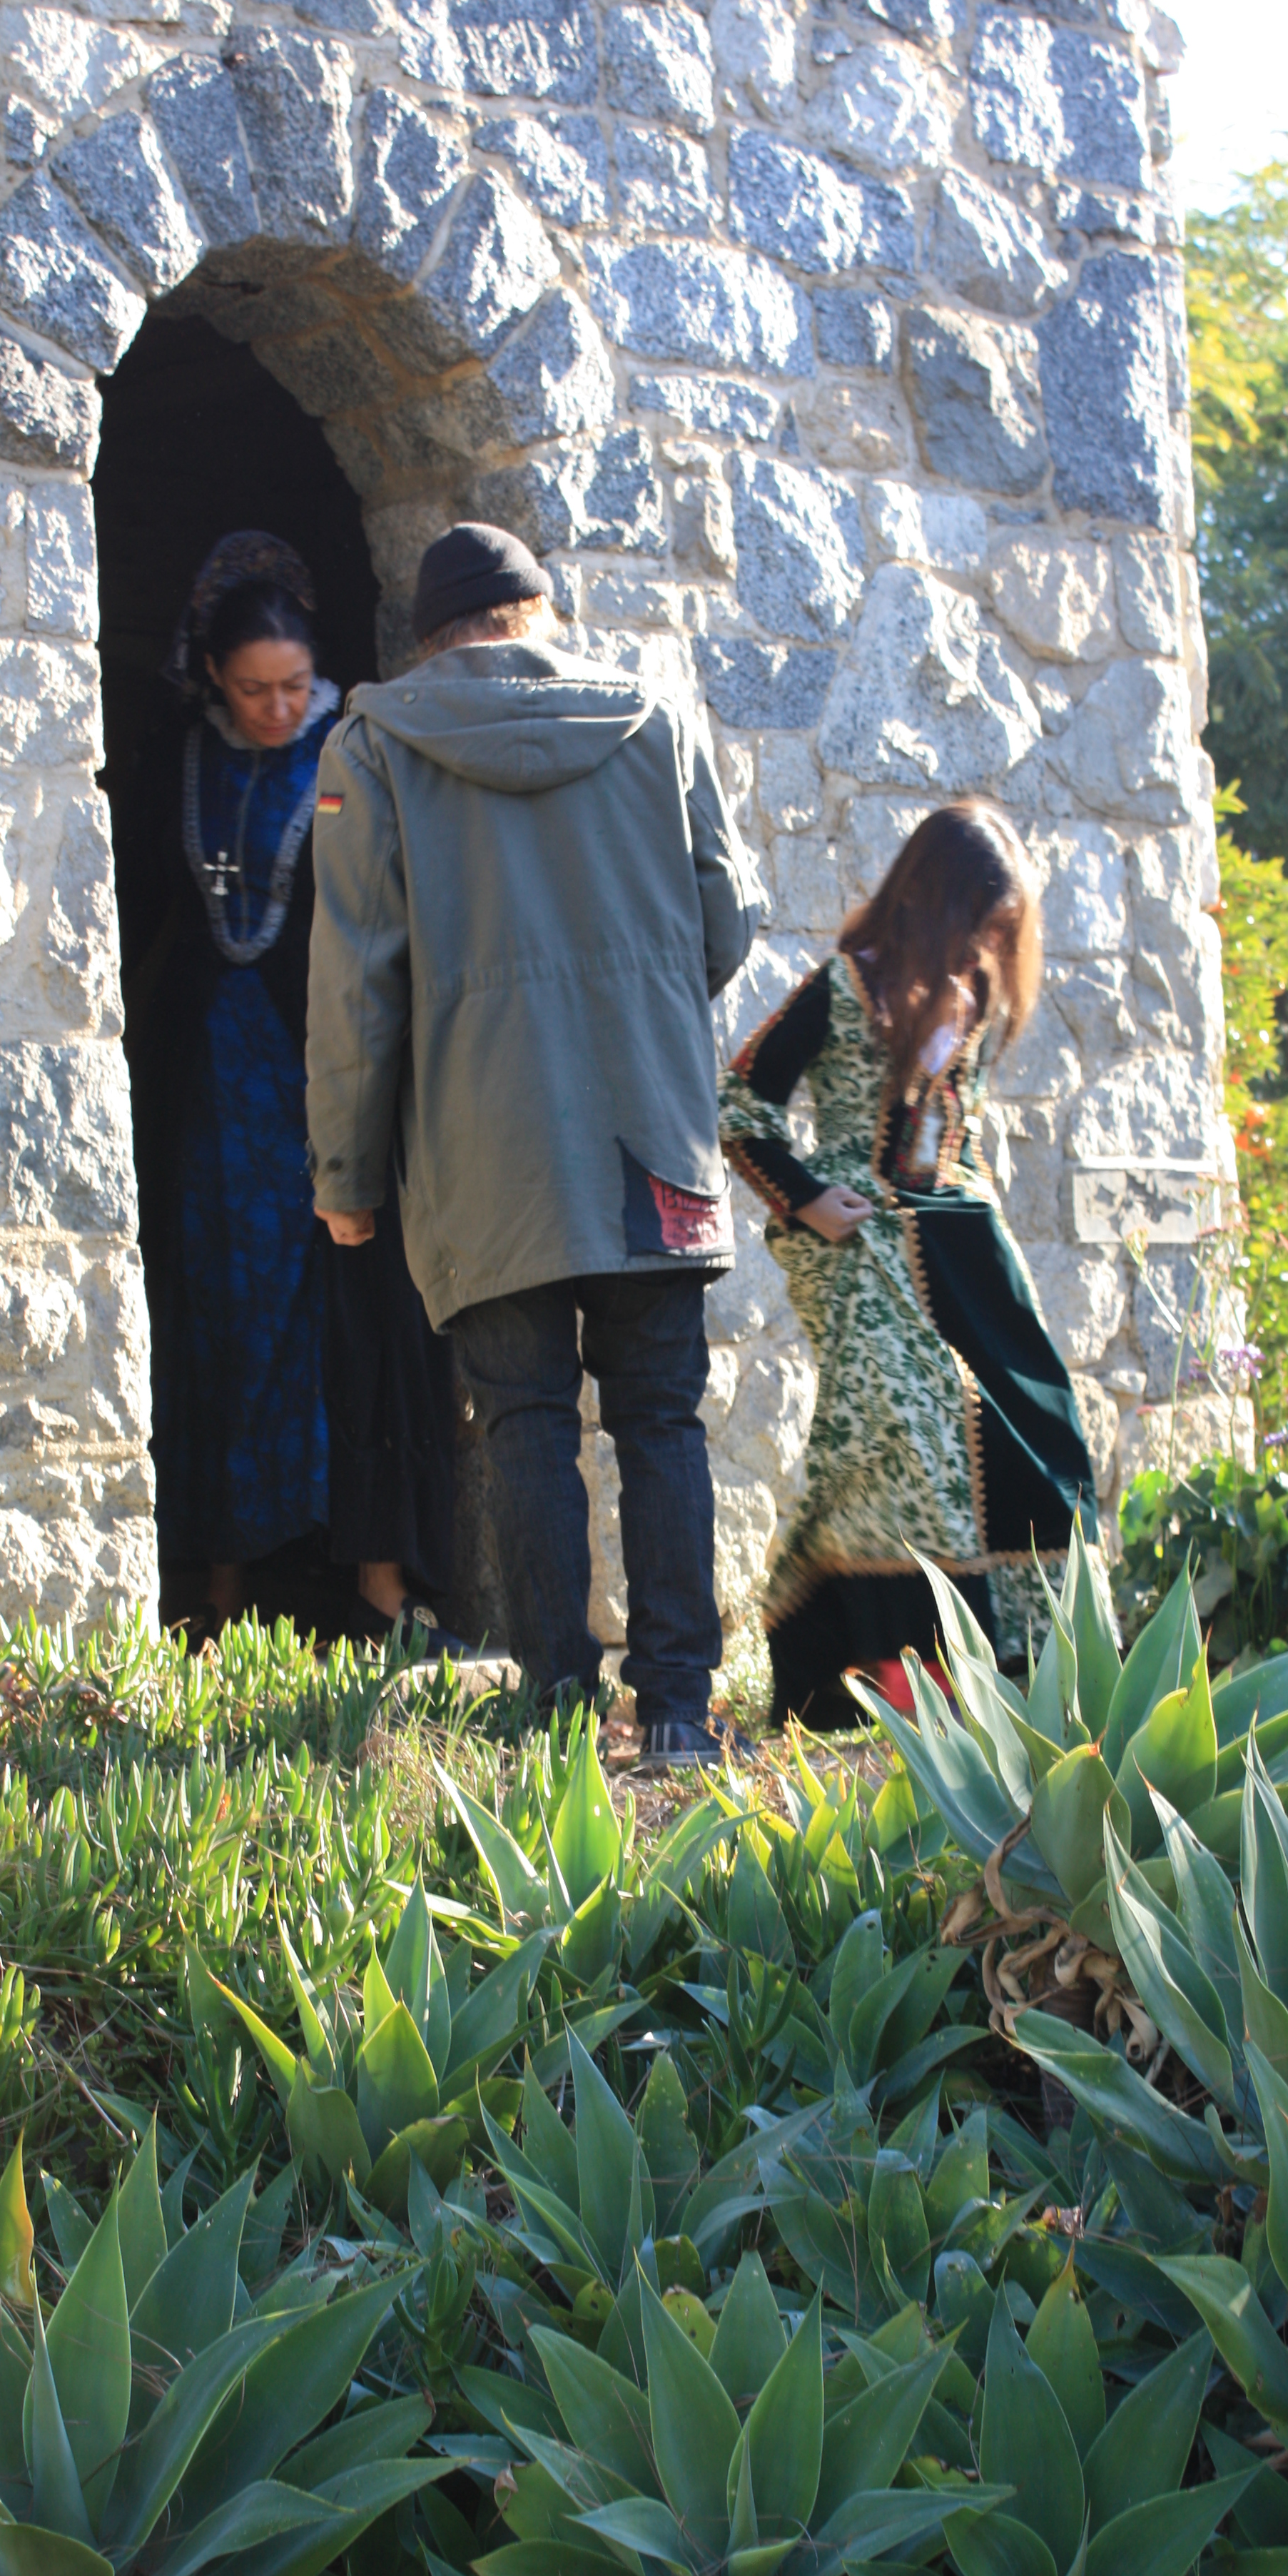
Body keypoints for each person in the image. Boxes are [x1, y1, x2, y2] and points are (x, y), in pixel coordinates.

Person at [305, 521, 760, 1766]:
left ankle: (559, 1715)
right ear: (542, 613)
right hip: (649, 1134)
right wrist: (644, 1004)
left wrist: (344, 1175)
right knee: (663, 1419)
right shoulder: (657, 726)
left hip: (480, 1148)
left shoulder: (377, 751)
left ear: (430, 637)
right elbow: (732, 921)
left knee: (524, 1425)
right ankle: (677, 1709)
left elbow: (359, 984)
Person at [118, 531, 456, 1639]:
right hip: (214, 1093)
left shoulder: (353, 755)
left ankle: (376, 1575)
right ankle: (218, 1583)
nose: (275, 707)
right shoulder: (173, 760)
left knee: (352, 1307)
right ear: (214, 676)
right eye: (254, 688)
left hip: (331, 1069)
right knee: (222, 1313)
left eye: (294, 686)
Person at [718, 800, 1098, 1727]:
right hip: (860, 1240)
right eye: (977, 922)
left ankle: (1017, 1683)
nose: (985, 945)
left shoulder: (969, 991)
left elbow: (944, 1131)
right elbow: (739, 1099)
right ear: (932, 899)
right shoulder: (847, 986)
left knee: (1036, 1434)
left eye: (999, 932)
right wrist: (807, 1198)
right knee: (911, 1439)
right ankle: (880, 1687)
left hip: (961, 1236)